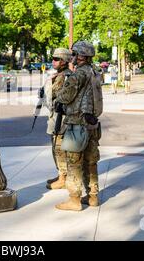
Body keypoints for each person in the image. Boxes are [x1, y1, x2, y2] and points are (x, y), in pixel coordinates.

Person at [55, 41, 100, 211]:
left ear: (82, 56)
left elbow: (66, 95)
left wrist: (59, 100)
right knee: (91, 162)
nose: (71, 57)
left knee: (73, 162)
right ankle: (93, 196)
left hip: (77, 123)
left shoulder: (79, 74)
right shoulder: (94, 72)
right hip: (91, 123)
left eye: (74, 54)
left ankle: (74, 200)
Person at [42, 48, 73, 190]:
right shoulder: (59, 76)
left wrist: (48, 85)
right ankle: (61, 173)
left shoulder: (65, 77)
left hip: (61, 117)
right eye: (53, 58)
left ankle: (63, 177)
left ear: (64, 61)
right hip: (56, 116)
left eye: (56, 59)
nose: (53, 61)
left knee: (59, 148)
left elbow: (53, 99)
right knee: (55, 147)